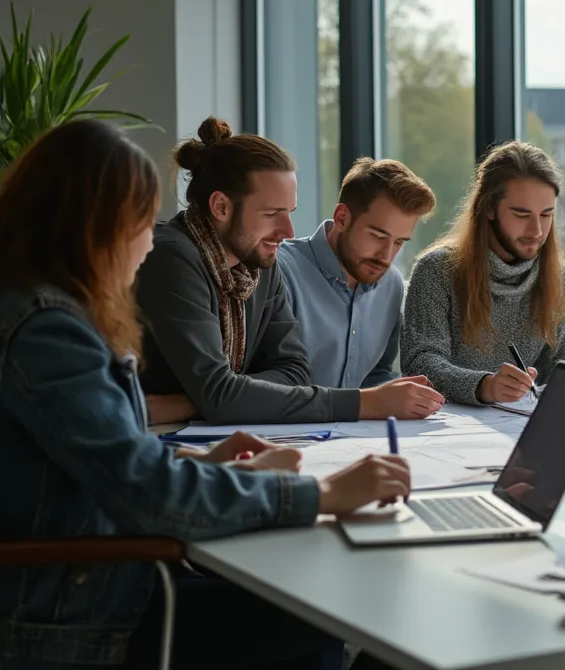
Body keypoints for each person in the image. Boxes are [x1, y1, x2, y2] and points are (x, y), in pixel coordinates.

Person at [0, 120, 410, 669]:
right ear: (91, 227)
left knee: (312, 607)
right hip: (75, 613)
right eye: (140, 224)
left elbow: (111, 458)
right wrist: (321, 495)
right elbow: (144, 487)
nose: (148, 243)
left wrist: (207, 460)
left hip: (100, 578)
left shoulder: (44, 309)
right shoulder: (49, 330)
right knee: (326, 610)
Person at [136, 116, 443, 426]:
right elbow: (219, 396)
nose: (287, 230)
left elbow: (294, 372)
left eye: (289, 213)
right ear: (221, 207)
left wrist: (199, 401)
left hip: (191, 431)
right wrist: (365, 403)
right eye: (271, 214)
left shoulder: (257, 265)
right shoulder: (171, 257)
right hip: (139, 441)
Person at [402, 141, 565, 406]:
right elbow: (420, 362)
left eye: (546, 215)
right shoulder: (436, 270)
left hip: (520, 427)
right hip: (444, 428)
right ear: (490, 208)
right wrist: (483, 386)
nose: (537, 231)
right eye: (521, 214)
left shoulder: (559, 278)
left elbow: (554, 371)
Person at [278, 157, 437, 388]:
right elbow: (269, 385)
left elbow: (376, 375)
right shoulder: (280, 272)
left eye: (399, 242)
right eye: (378, 236)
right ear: (342, 218)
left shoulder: (391, 283)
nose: (386, 255)